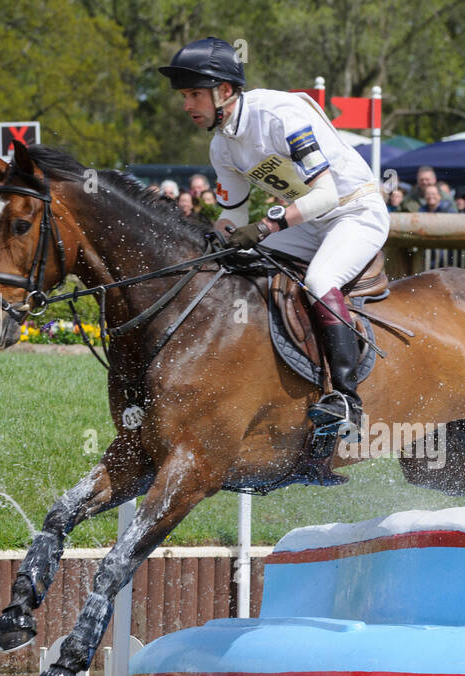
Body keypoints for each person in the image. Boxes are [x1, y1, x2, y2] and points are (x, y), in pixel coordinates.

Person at [162, 35, 388, 442]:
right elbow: (232, 216)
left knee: (320, 281)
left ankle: (346, 399)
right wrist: (208, 243)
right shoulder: (222, 146)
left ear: (224, 91)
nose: (186, 106)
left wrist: (265, 228)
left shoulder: (280, 115)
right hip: (306, 222)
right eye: (184, 96)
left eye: (194, 94)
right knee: (232, 266)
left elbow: (326, 194)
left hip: (354, 212)